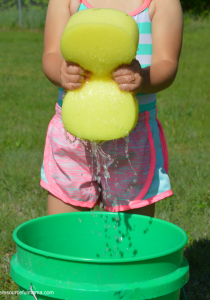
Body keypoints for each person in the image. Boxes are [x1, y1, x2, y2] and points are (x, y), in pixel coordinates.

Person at [41, 0, 183, 217]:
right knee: (65, 231)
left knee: (130, 240)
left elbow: (167, 63)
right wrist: (61, 72)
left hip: (133, 137)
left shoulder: (162, 3)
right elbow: (50, 55)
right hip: (73, 137)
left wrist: (141, 78)